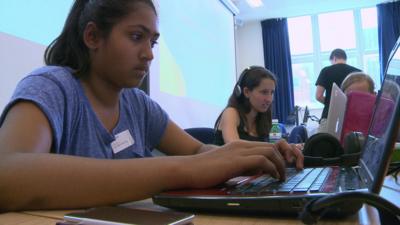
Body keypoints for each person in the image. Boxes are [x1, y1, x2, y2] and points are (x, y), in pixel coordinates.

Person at [0, 0, 303, 212]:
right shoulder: (51, 87)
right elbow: (7, 174)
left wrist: (247, 158)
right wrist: (184, 170)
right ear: (92, 36)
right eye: (136, 37)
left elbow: (198, 153)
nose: (149, 54)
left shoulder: (138, 104)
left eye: (153, 42)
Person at [214, 66, 303, 149]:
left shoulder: (263, 117)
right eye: (264, 92)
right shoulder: (231, 113)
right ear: (246, 92)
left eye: (272, 93)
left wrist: (290, 148)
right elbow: (235, 148)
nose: (269, 99)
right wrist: (273, 148)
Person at [315, 48, 361, 131]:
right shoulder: (358, 72)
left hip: (329, 115)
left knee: (323, 142)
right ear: (345, 58)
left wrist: (332, 103)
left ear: (334, 58)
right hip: (352, 117)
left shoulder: (326, 71)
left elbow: (318, 96)